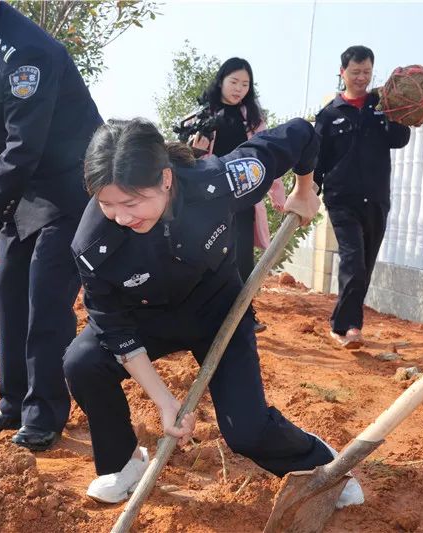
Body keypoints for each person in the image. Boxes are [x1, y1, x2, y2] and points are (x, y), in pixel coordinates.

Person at [63, 117, 364, 507]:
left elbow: (302, 136)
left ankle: (323, 468)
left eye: (131, 203)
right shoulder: (92, 245)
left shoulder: (220, 181)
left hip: (218, 311)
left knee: (246, 431)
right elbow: (113, 326)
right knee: (82, 362)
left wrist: (304, 188)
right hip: (146, 319)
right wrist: (164, 401)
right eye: (106, 204)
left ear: (166, 180)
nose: (120, 216)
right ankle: (124, 463)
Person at [0, 0, 103, 451]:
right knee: (9, 293)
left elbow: (24, 144)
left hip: (71, 185)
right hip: (24, 184)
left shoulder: (30, 52)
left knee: (45, 301)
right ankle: (13, 405)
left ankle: (44, 414)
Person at [314, 45, 410, 349]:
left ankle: (343, 320)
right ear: (342, 72)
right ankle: (348, 327)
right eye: (355, 72)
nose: (361, 77)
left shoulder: (380, 106)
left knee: (364, 266)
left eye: (367, 72)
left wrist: (396, 112)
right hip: (342, 200)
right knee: (353, 262)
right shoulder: (329, 115)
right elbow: (318, 159)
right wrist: (308, 191)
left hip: (377, 198)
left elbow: (400, 139)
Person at [191, 57, 285, 332]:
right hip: (209, 199)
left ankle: (244, 316)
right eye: (234, 82)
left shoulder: (253, 119)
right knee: (209, 257)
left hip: (243, 199)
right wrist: (197, 146)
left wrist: (277, 196)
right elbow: (189, 158)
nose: (239, 89)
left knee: (242, 257)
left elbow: (269, 158)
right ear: (221, 81)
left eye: (245, 84)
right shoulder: (203, 114)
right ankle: (206, 316)